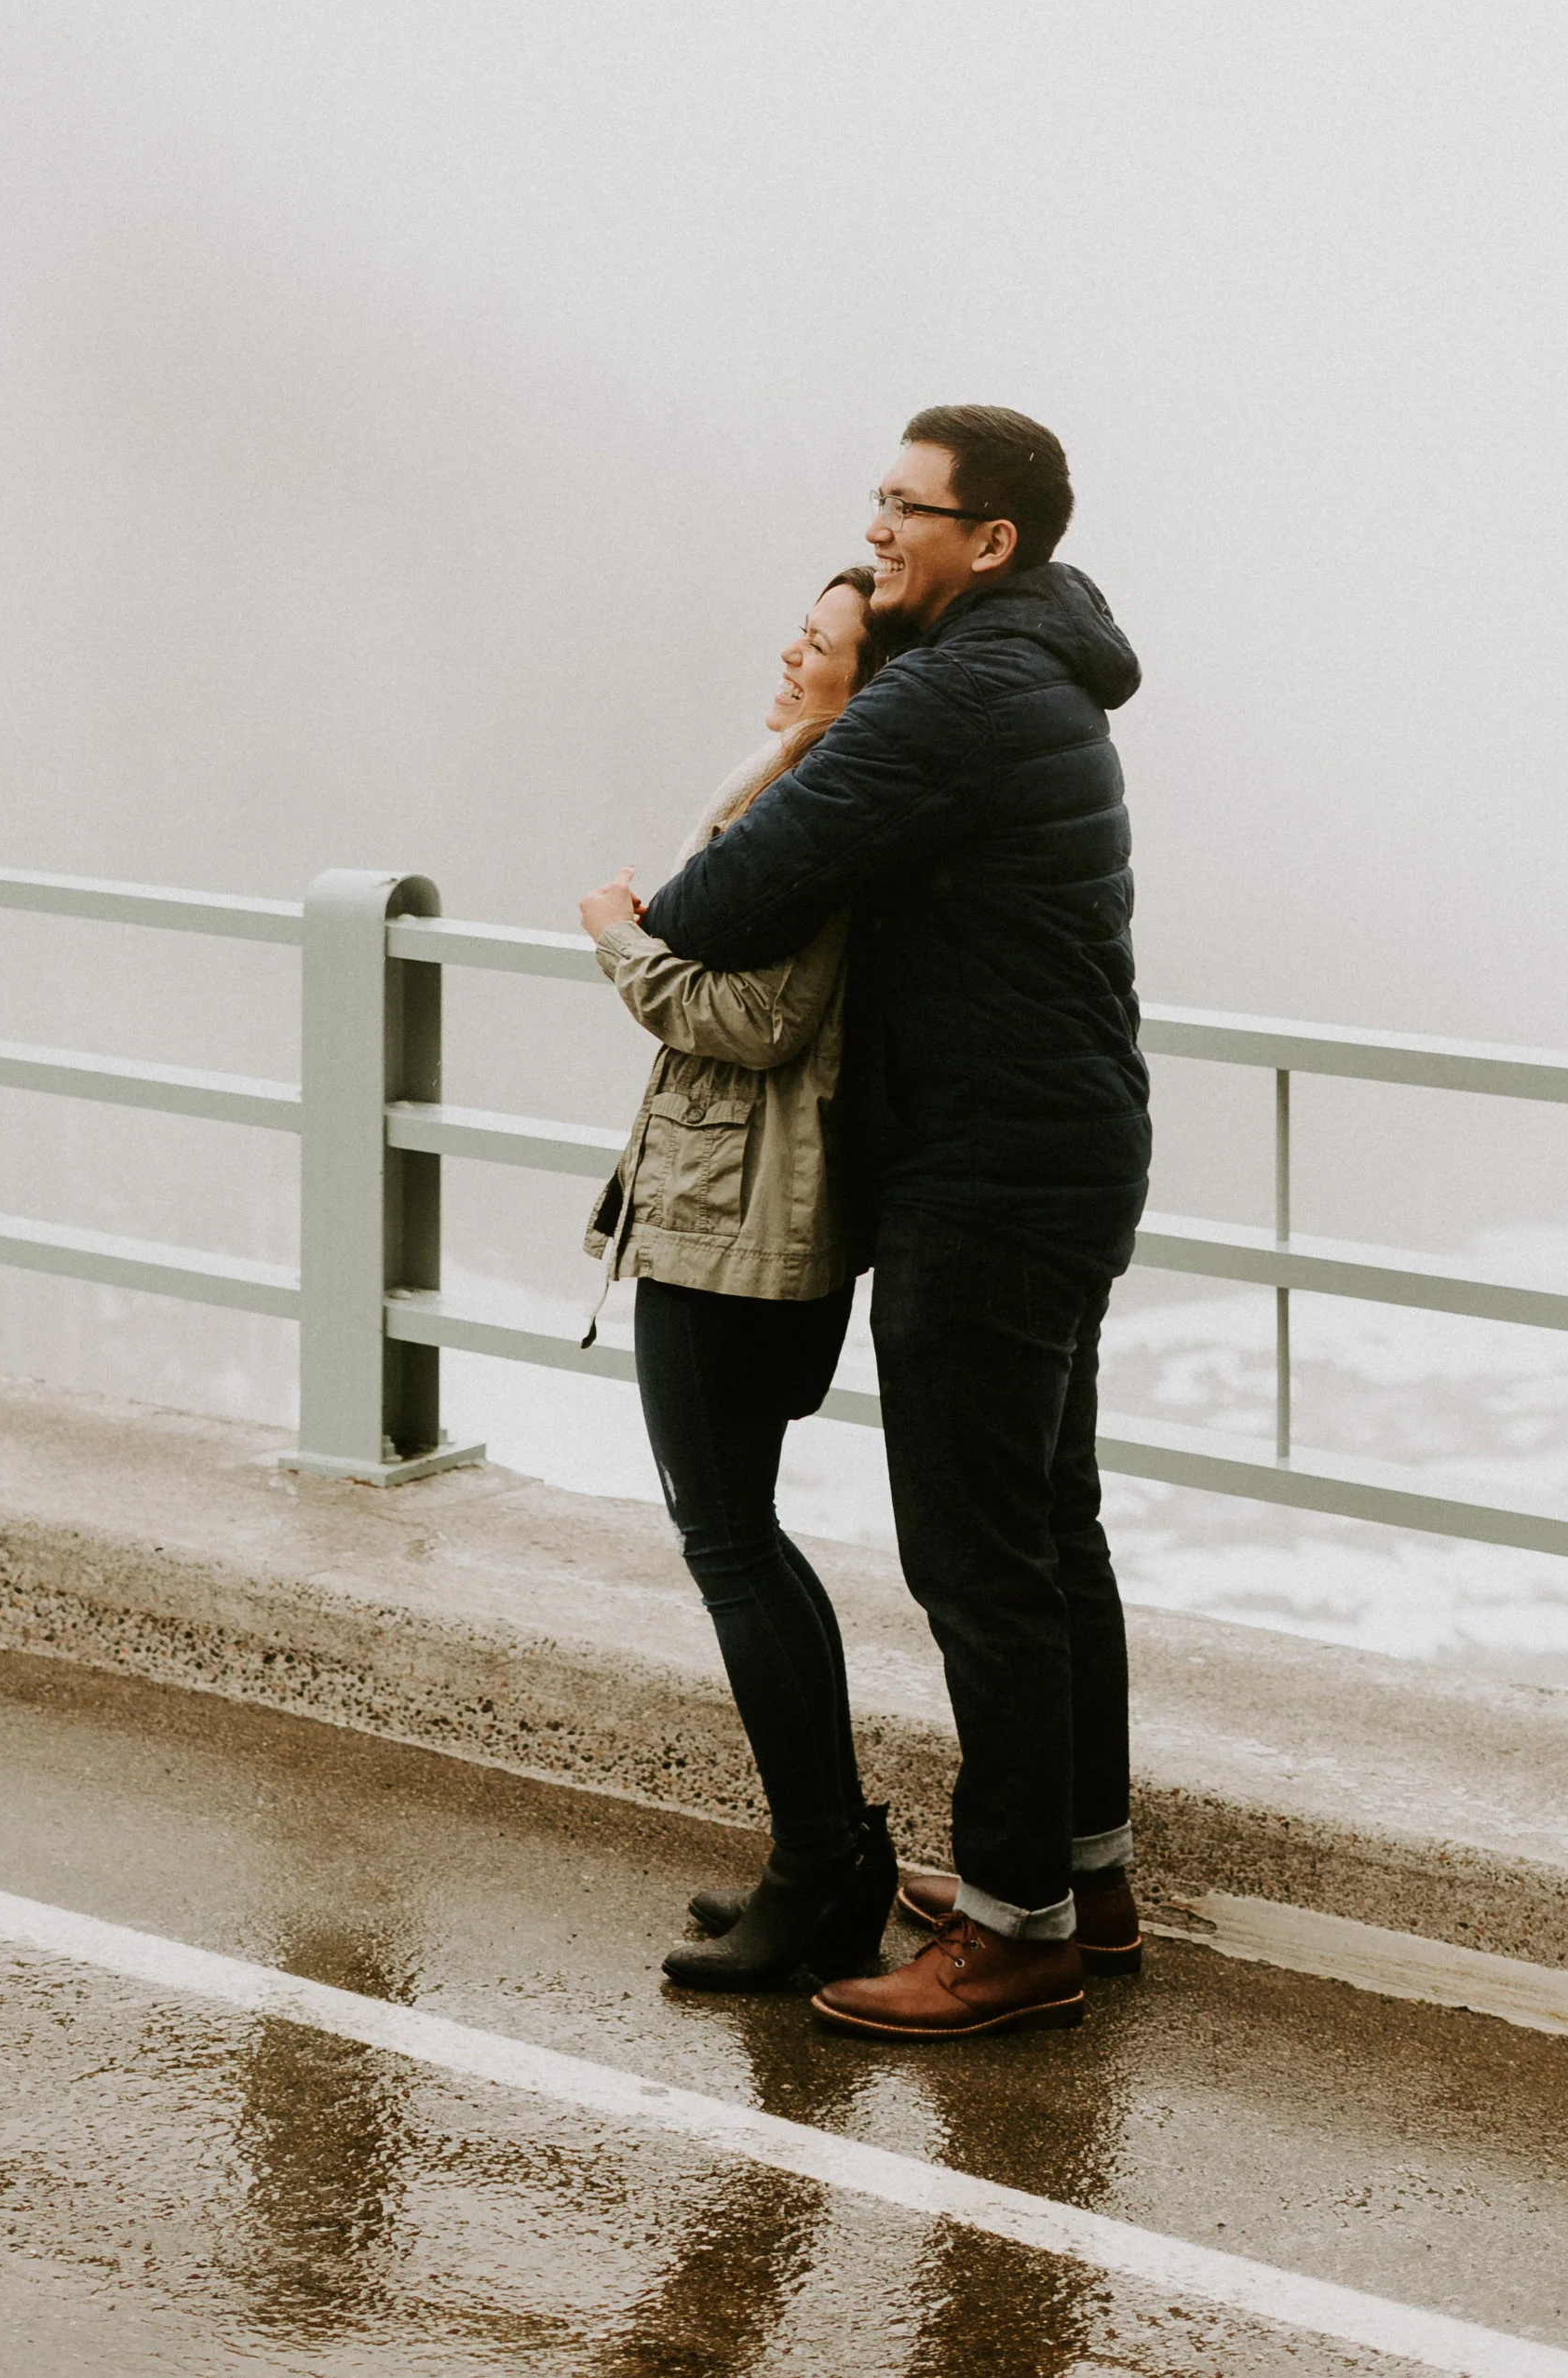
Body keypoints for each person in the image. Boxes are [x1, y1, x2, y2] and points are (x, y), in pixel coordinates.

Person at [639, 407, 1150, 2043]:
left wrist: (622, 924)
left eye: (904, 508)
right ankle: (1083, 1877)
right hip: (1061, 1153)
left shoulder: (961, 692)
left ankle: (1014, 1939)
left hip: (990, 1174)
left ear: (989, 540)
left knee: (981, 1555)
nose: (875, 531)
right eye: (873, 499)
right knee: (1048, 1530)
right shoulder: (1033, 673)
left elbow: (715, 909)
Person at [577, 568, 899, 1993]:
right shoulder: (812, 784)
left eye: (823, 644)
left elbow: (762, 1020)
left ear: (866, 681)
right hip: (742, 1214)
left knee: (729, 1544)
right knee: (747, 1539)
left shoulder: (822, 808)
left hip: (735, 1228)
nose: (791, 652)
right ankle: (827, 1856)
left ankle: (822, 1870)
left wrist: (619, 942)